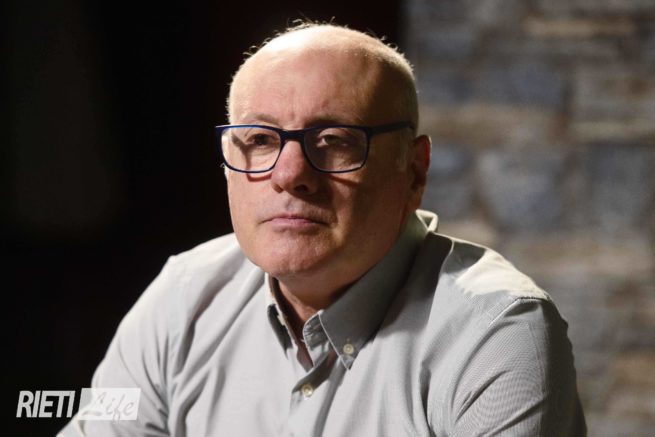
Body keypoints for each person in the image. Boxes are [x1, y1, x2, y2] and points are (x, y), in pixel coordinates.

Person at [60, 22, 586, 436]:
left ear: (414, 171)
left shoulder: (496, 334)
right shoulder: (183, 297)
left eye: (334, 140)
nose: (290, 175)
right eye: (260, 140)